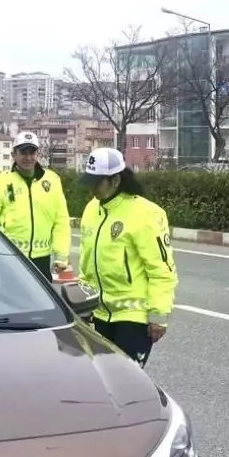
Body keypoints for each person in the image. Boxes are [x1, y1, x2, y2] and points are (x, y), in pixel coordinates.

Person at [77, 147, 178, 366]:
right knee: (101, 382)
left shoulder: (146, 213)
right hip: (100, 314)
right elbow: (86, 261)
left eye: (97, 181)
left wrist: (159, 316)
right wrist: (82, 304)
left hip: (134, 319)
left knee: (126, 385)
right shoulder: (91, 209)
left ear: (115, 180)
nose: (91, 187)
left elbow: (162, 269)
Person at [0, 132, 71, 281]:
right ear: (13, 154)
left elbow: (61, 220)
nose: (28, 157)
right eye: (23, 152)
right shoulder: (0, 181)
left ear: (38, 153)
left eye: (32, 152)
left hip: (42, 260)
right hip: (9, 258)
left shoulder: (52, 180)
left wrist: (61, 255)